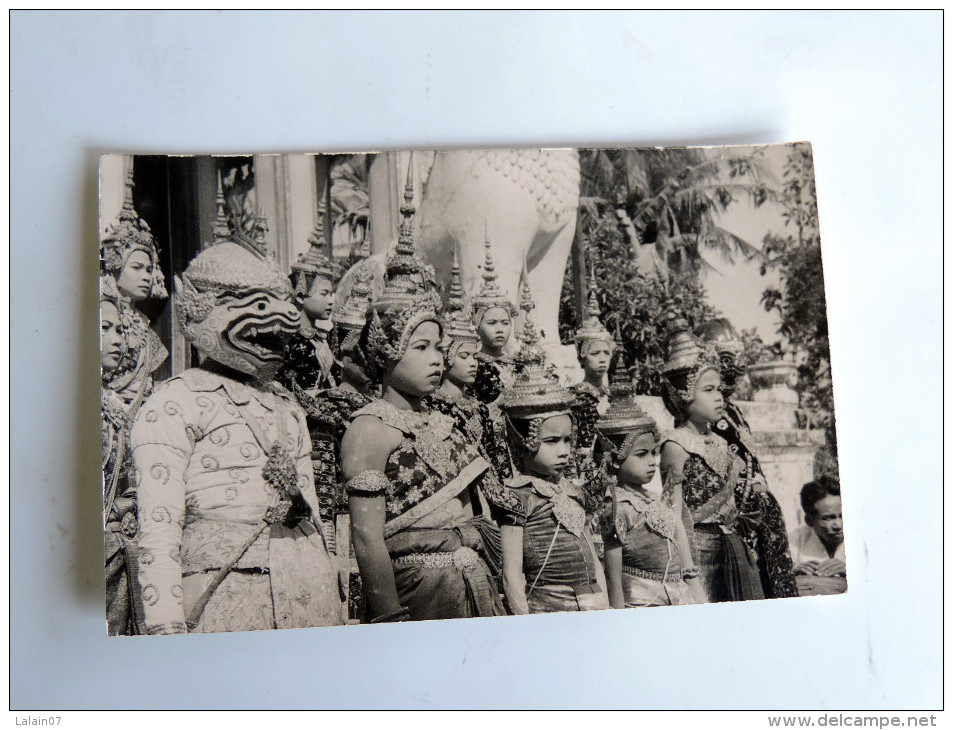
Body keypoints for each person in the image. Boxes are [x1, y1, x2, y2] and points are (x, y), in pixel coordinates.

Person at [129, 230, 343, 634]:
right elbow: (158, 528)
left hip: (306, 589)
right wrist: (165, 626)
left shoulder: (287, 405)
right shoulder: (175, 401)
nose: (278, 333)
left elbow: (312, 517)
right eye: (258, 311)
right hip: (222, 595)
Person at [340, 173, 510, 623]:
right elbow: (368, 540)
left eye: (438, 347)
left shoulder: (444, 420)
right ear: (386, 350)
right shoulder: (369, 430)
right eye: (421, 348)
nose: (436, 359)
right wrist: (389, 616)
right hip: (418, 592)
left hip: (474, 580)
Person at [496, 280, 608, 615]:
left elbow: (592, 557)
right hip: (548, 607)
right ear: (523, 438)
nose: (563, 450)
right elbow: (512, 574)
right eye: (551, 441)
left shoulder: (572, 491)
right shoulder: (517, 496)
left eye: (567, 441)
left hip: (592, 604)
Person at [659, 317, 763, 603]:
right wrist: (689, 573)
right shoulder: (675, 445)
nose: (719, 397)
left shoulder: (722, 442)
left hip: (732, 548)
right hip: (697, 552)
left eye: (718, 389)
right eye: (708, 390)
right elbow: (674, 513)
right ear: (684, 394)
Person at [695, 318, 799, 599]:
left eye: (737, 358)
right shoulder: (703, 418)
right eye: (726, 359)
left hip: (758, 518)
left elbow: (751, 459)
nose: (737, 369)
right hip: (734, 523)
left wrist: (759, 485)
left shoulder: (734, 413)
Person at [597, 359, 705, 608]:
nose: (652, 462)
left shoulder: (653, 498)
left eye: (653, 453)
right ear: (615, 459)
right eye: (641, 454)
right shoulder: (616, 507)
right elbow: (613, 576)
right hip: (641, 602)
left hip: (677, 596)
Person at [99, 164, 169, 411]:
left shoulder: (145, 327)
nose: (146, 277)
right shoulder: (101, 316)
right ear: (116, 267)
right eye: (137, 268)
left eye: (149, 270)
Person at [100, 292, 146, 635]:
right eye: (105, 328)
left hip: (117, 552)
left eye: (119, 328)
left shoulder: (112, 405)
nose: (118, 338)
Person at [277, 223, 337, 394]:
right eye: (324, 294)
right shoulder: (289, 340)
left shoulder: (323, 337)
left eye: (331, 294)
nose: (331, 301)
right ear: (302, 296)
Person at [471, 235, 519, 405]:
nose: (500, 329)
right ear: (477, 324)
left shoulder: (517, 364)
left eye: (505, 323)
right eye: (492, 323)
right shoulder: (474, 366)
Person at [570, 283, 614, 459]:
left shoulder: (611, 395)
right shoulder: (576, 397)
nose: (602, 359)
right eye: (595, 353)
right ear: (582, 357)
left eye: (606, 353)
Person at [789, 477, 846, 596]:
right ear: (809, 521)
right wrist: (791, 572)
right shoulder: (796, 539)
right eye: (828, 518)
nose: (838, 525)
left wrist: (852, 570)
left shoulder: (862, 536)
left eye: (842, 515)